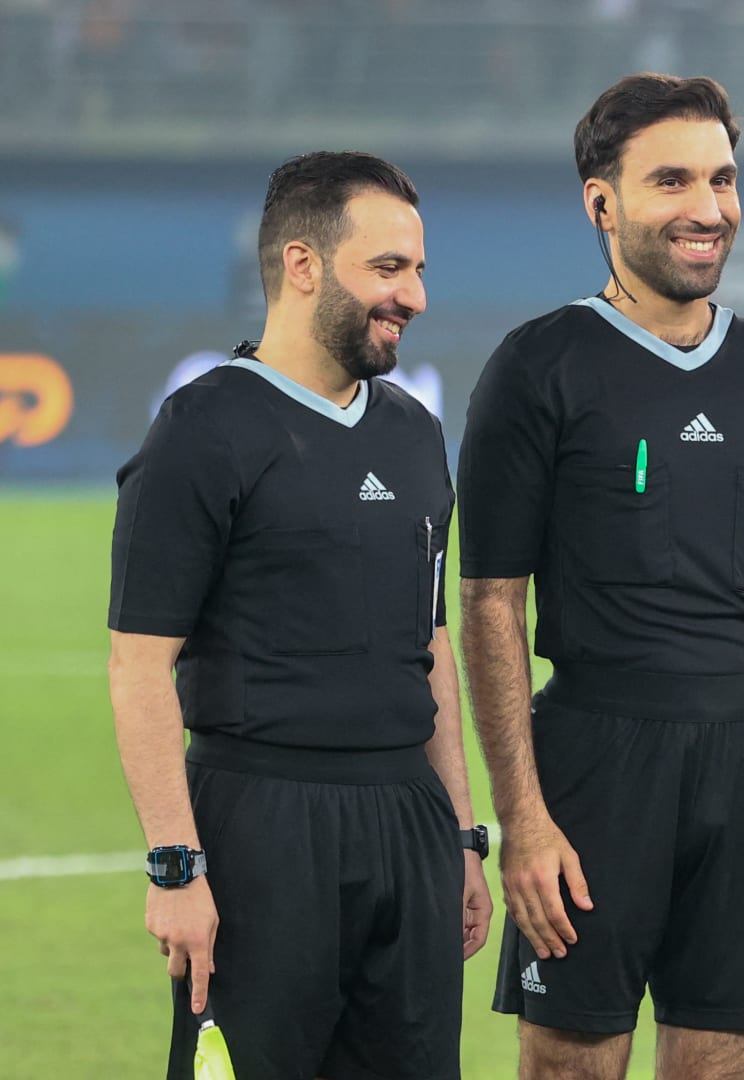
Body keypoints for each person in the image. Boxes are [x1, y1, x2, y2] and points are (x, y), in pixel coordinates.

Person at [457, 73, 744, 1080]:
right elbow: (492, 603)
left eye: (722, 179)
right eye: (672, 181)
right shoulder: (537, 367)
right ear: (602, 204)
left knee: (727, 1064)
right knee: (569, 1064)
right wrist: (524, 819)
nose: (709, 208)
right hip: (595, 765)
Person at [107, 151, 491, 1080]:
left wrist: (461, 835)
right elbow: (138, 665)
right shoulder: (202, 428)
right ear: (302, 264)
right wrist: (175, 866)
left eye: (419, 270)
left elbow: (429, 643)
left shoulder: (414, 431)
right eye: (388, 269)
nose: (414, 296)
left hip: (407, 819)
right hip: (261, 824)